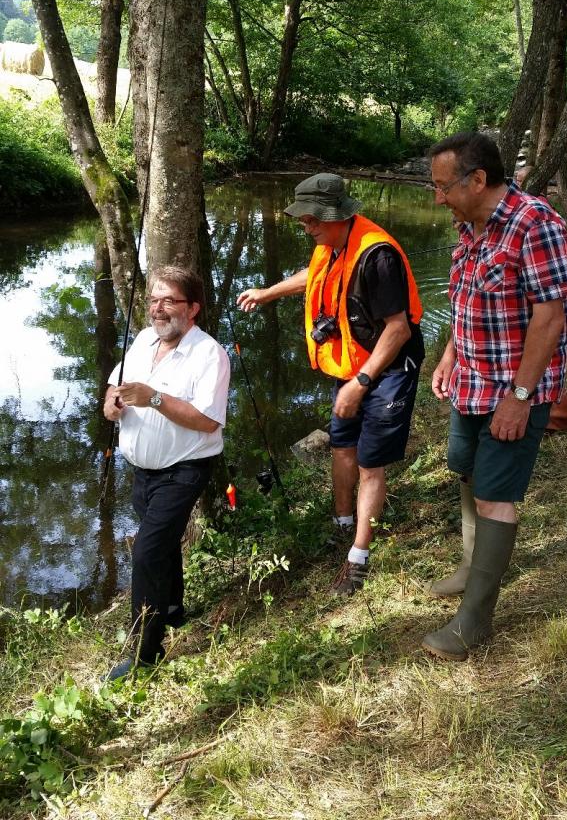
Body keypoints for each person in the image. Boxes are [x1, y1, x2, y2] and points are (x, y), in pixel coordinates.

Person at [425, 131, 567, 661]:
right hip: (470, 379)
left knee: (496, 494)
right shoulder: (470, 228)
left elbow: (550, 316)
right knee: (462, 465)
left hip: (514, 390)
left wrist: (521, 395)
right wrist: (447, 355)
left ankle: (475, 621)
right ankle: (472, 562)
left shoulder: (535, 224)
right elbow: (466, 301)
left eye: (444, 187)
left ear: (479, 179)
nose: (438, 197)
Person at [237, 173, 424, 595]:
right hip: (354, 367)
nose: (306, 228)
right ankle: (343, 524)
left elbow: (398, 330)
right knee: (342, 444)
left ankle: (359, 556)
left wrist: (361, 381)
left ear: (335, 215)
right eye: (304, 221)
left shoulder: (378, 255)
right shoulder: (332, 244)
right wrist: (268, 292)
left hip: (387, 370)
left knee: (370, 462)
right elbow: (313, 275)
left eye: (310, 221)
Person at [103, 265, 230, 679]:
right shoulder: (141, 340)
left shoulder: (210, 354)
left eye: (169, 300)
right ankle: (173, 608)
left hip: (185, 469)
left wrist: (154, 398)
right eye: (154, 300)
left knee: (147, 551)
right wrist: (112, 404)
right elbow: (114, 389)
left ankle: (145, 651)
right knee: (164, 543)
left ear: (192, 308)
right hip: (143, 471)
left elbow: (208, 421)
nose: (159, 309)